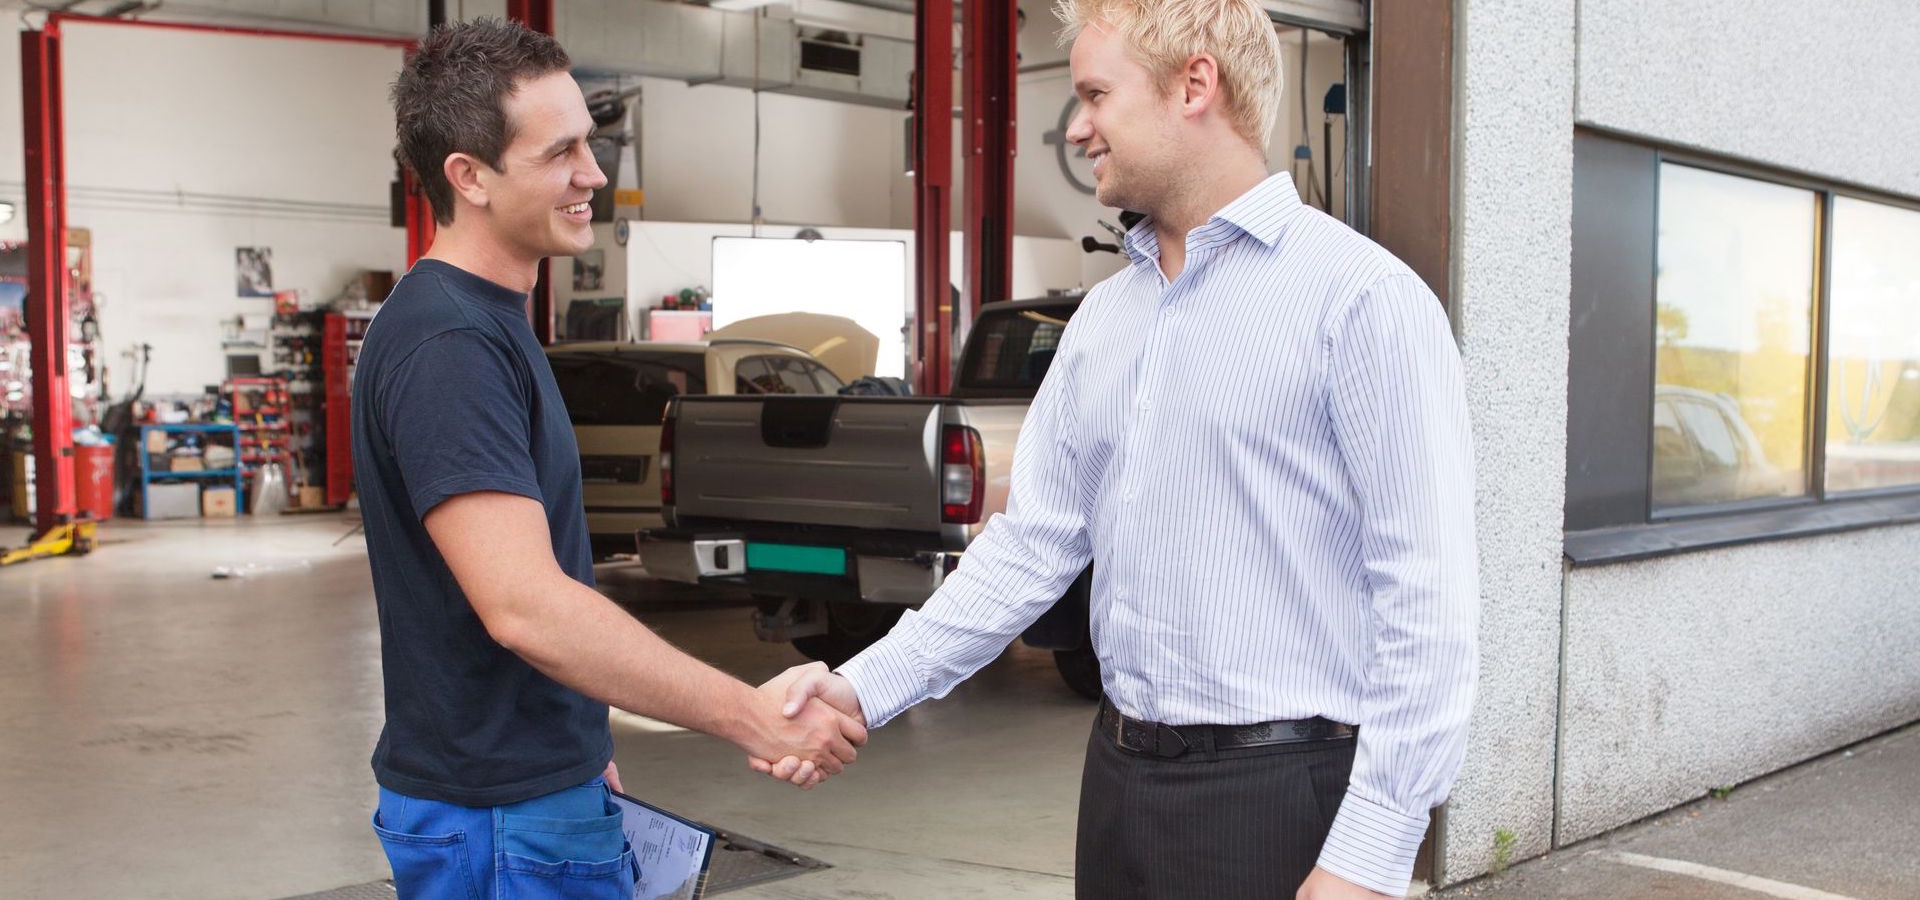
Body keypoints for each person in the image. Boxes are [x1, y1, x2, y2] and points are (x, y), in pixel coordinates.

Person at [758, 0, 1479, 896]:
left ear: (1195, 85)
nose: (1079, 126)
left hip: (1282, 799)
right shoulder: (1105, 320)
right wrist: (861, 689)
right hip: (1119, 782)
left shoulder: (1362, 302)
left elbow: (1429, 602)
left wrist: (1368, 857)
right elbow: (1029, 548)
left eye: (1096, 94)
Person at [357, 19, 864, 898]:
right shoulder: (449, 344)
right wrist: (750, 716)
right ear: (468, 177)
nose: (593, 174)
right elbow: (525, 606)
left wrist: (579, 748)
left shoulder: (485, 322)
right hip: (498, 819)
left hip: (531, 790)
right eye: (559, 154)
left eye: (590, 144)